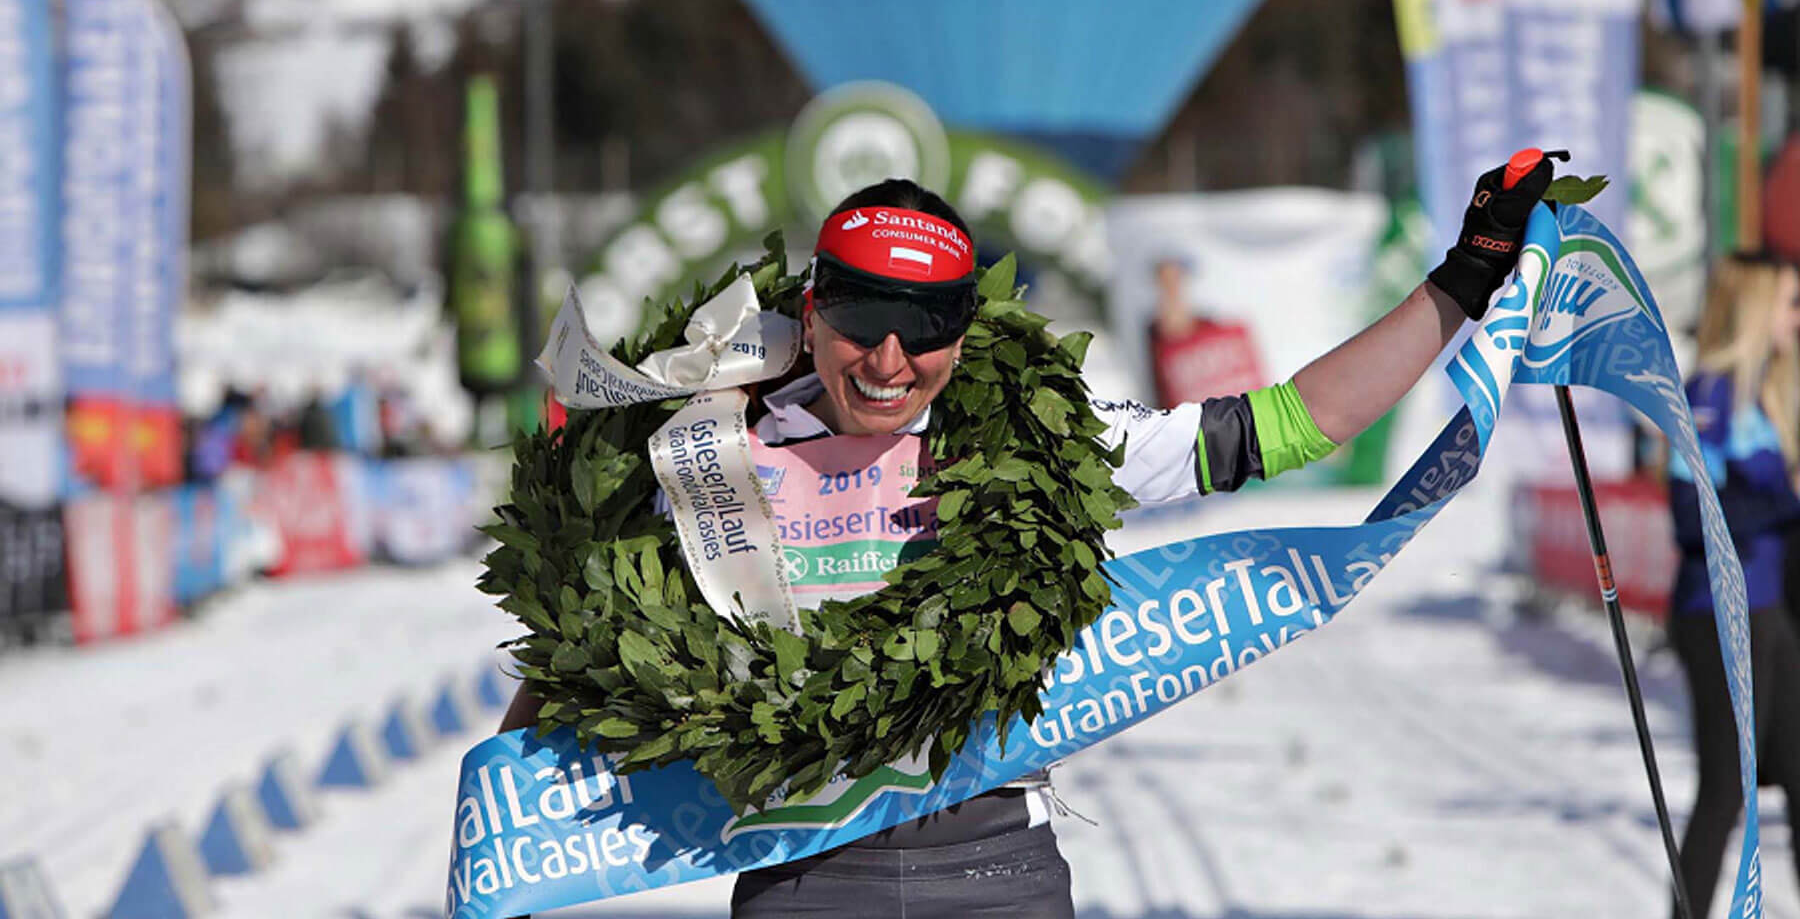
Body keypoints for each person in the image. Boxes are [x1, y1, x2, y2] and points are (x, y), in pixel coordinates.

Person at [500, 151, 1559, 918]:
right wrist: (500, 828)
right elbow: (577, 634)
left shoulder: (1031, 442)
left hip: (995, 870)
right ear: (810, 309)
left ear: (967, 331)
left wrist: (1464, 279)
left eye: (927, 334)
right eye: (862, 323)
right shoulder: (704, 451)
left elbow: (1290, 424)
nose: (887, 363)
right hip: (804, 875)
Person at [1666, 252, 1800, 919]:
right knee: (1724, 791)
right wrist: (1785, 502)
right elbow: (1691, 516)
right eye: (1789, 304)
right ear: (1755, 312)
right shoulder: (1706, 396)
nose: (1797, 320)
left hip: (1770, 608)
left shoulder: (1768, 392)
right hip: (1716, 613)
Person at [1146, 254, 1267, 408]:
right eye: (1164, 283)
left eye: (1174, 281)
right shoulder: (1158, 347)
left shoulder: (1228, 335)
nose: (1170, 291)